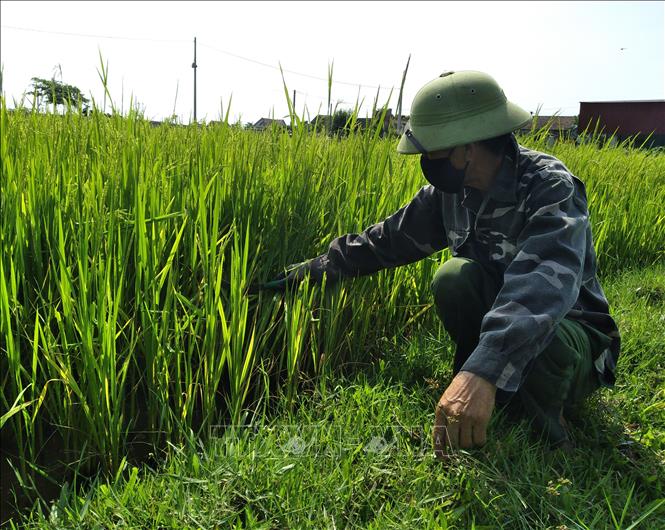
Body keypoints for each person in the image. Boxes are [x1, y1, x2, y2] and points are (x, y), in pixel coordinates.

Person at [266, 71, 620, 456]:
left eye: (432, 150)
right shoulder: (448, 195)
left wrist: (483, 369)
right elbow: (383, 243)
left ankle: (545, 431)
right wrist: (311, 270)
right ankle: (486, 391)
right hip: (510, 332)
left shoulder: (549, 186)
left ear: (465, 148)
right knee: (454, 277)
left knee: (537, 328)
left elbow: (542, 287)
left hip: (573, 337)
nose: (426, 161)